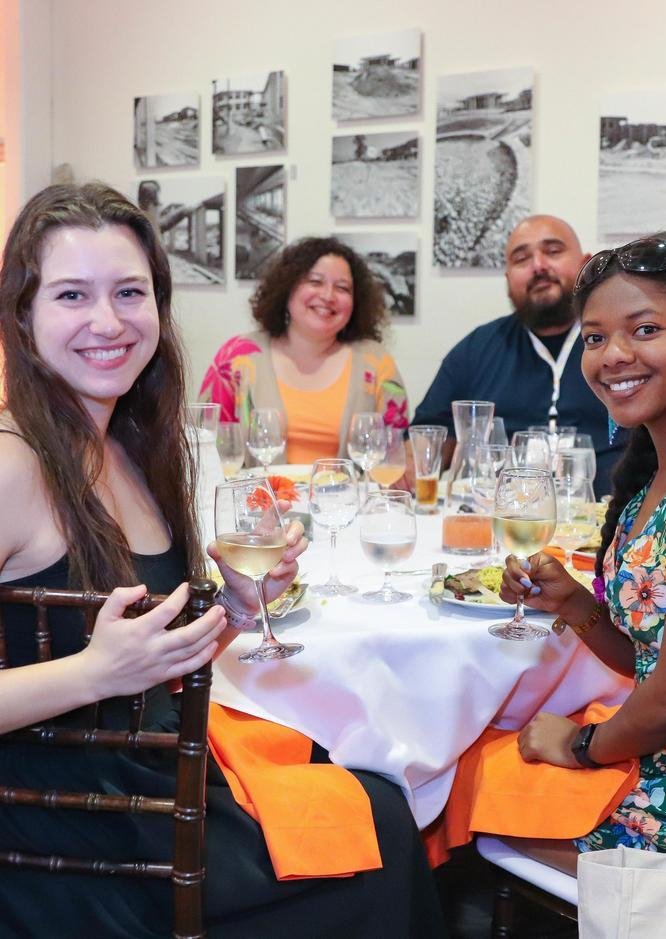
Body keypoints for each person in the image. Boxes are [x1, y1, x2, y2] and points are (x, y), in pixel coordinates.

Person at [0, 183, 446, 937]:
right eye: (72, 294)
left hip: (151, 780)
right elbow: (105, 668)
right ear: (23, 314)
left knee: (382, 807)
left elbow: (152, 657)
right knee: (381, 841)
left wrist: (235, 611)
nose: (107, 321)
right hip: (71, 833)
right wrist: (91, 674)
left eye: (130, 292)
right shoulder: (15, 466)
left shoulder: (133, 450)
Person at [496, 230, 666, 876]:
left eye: (645, 329)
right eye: (595, 337)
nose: (613, 355)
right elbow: (655, 659)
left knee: (461, 816)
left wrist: (577, 743)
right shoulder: (665, 462)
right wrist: (573, 602)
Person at [408, 214, 626, 497]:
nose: (538, 266)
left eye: (553, 251)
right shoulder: (476, 350)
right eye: (522, 258)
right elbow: (427, 440)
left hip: (613, 520)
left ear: (586, 264)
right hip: (503, 522)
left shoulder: (623, 344)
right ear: (508, 278)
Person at [199, 236, 408, 465]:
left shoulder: (377, 362)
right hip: (258, 500)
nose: (328, 296)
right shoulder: (237, 357)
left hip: (347, 500)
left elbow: (394, 460)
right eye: (315, 282)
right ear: (287, 289)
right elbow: (205, 447)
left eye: (342, 288)